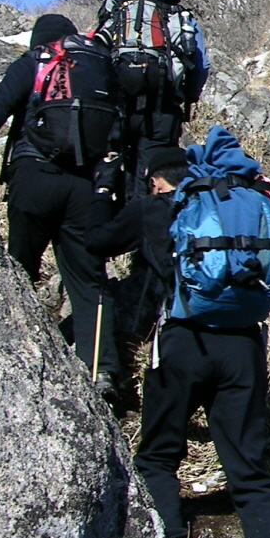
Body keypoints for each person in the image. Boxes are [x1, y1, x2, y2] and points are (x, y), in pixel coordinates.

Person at [133, 127, 270, 538]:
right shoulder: (259, 198)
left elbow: (112, 242)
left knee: (157, 458)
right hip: (243, 347)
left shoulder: (177, 200)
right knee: (251, 474)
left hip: (183, 340)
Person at [0, 14, 118, 386]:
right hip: (84, 186)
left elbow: (1, 103)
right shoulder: (97, 65)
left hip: (34, 178)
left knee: (20, 269)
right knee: (89, 280)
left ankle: (14, 359)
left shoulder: (36, 61)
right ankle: (101, 368)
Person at [83, 144, 187, 406]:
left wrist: (102, 193)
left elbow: (99, 241)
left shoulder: (151, 207)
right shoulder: (212, 204)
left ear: (155, 181)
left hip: (175, 316)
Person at [96, 0, 208, 196]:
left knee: (118, 166)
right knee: (154, 173)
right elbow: (200, 65)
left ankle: (119, 222)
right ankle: (147, 222)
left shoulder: (118, 11)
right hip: (163, 104)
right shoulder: (178, 15)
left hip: (120, 103)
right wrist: (189, 97)